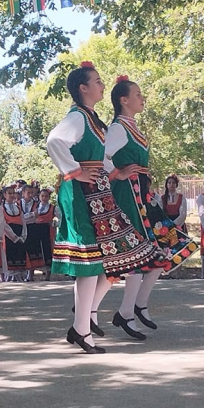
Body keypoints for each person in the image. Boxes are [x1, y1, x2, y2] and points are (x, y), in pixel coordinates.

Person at [47, 62, 158, 353]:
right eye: (96, 81)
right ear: (83, 88)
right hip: (81, 192)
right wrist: (74, 171)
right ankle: (83, 328)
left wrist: (113, 174)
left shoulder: (92, 119)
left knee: (96, 263)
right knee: (88, 263)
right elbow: (55, 140)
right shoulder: (78, 118)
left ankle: (82, 326)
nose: (101, 85)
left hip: (96, 192)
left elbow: (105, 157)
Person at [104, 77, 192, 339]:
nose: (142, 98)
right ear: (124, 100)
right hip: (128, 194)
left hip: (143, 193)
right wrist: (117, 173)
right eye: (138, 94)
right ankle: (127, 312)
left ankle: (137, 305)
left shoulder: (132, 127)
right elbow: (100, 156)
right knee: (138, 252)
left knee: (165, 246)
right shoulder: (118, 128)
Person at [0, 185, 29, 281]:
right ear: (4, 195)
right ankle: (9, 278)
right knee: (9, 257)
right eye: (9, 193)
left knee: (20, 256)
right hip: (9, 236)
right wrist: (14, 237)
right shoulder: (2, 208)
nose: (12, 195)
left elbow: (23, 222)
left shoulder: (18, 208)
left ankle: (19, 277)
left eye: (13, 193)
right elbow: (4, 224)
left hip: (19, 234)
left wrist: (23, 236)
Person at [31, 188, 59, 281]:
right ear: (39, 196)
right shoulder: (34, 207)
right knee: (35, 250)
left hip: (47, 231)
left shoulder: (52, 208)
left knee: (48, 251)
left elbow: (61, 217)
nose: (44, 198)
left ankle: (48, 274)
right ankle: (31, 273)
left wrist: (55, 224)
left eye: (46, 196)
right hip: (36, 231)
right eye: (42, 196)